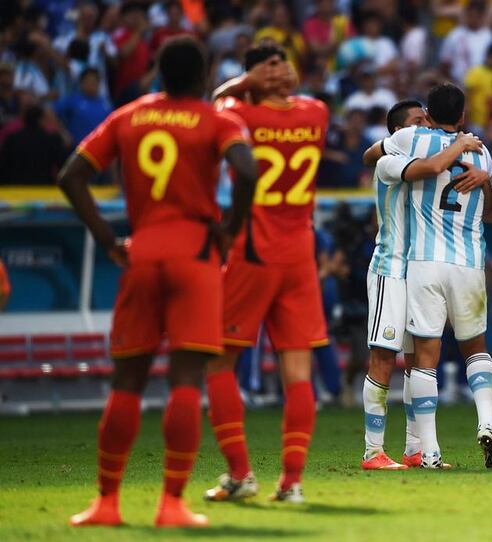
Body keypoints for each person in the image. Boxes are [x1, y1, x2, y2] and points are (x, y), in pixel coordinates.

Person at [60, 36, 257, 527]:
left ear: (159, 75)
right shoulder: (218, 120)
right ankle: (171, 504)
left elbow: (70, 176)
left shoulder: (129, 116)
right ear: (204, 76)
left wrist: (109, 237)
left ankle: (106, 503)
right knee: (186, 382)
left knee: (126, 381)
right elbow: (248, 172)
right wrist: (230, 228)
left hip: (142, 252)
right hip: (195, 254)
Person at [205, 44, 329, 504]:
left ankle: (240, 475)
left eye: (283, 61)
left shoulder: (239, 117)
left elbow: (218, 104)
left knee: (218, 362)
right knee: (297, 370)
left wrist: (247, 80)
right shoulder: (316, 113)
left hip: (251, 253)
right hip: (299, 256)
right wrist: (269, 79)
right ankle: (291, 483)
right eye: (270, 64)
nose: (279, 69)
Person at [382, 83, 492, 469]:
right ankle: (487, 424)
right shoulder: (480, 150)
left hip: (425, 262)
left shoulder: (410, 137)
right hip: (469, 262)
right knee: (477, 349)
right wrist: (485, 180)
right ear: (463, 117)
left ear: (427, 116)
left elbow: (373, 154)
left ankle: (430, 452)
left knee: (425, 358)